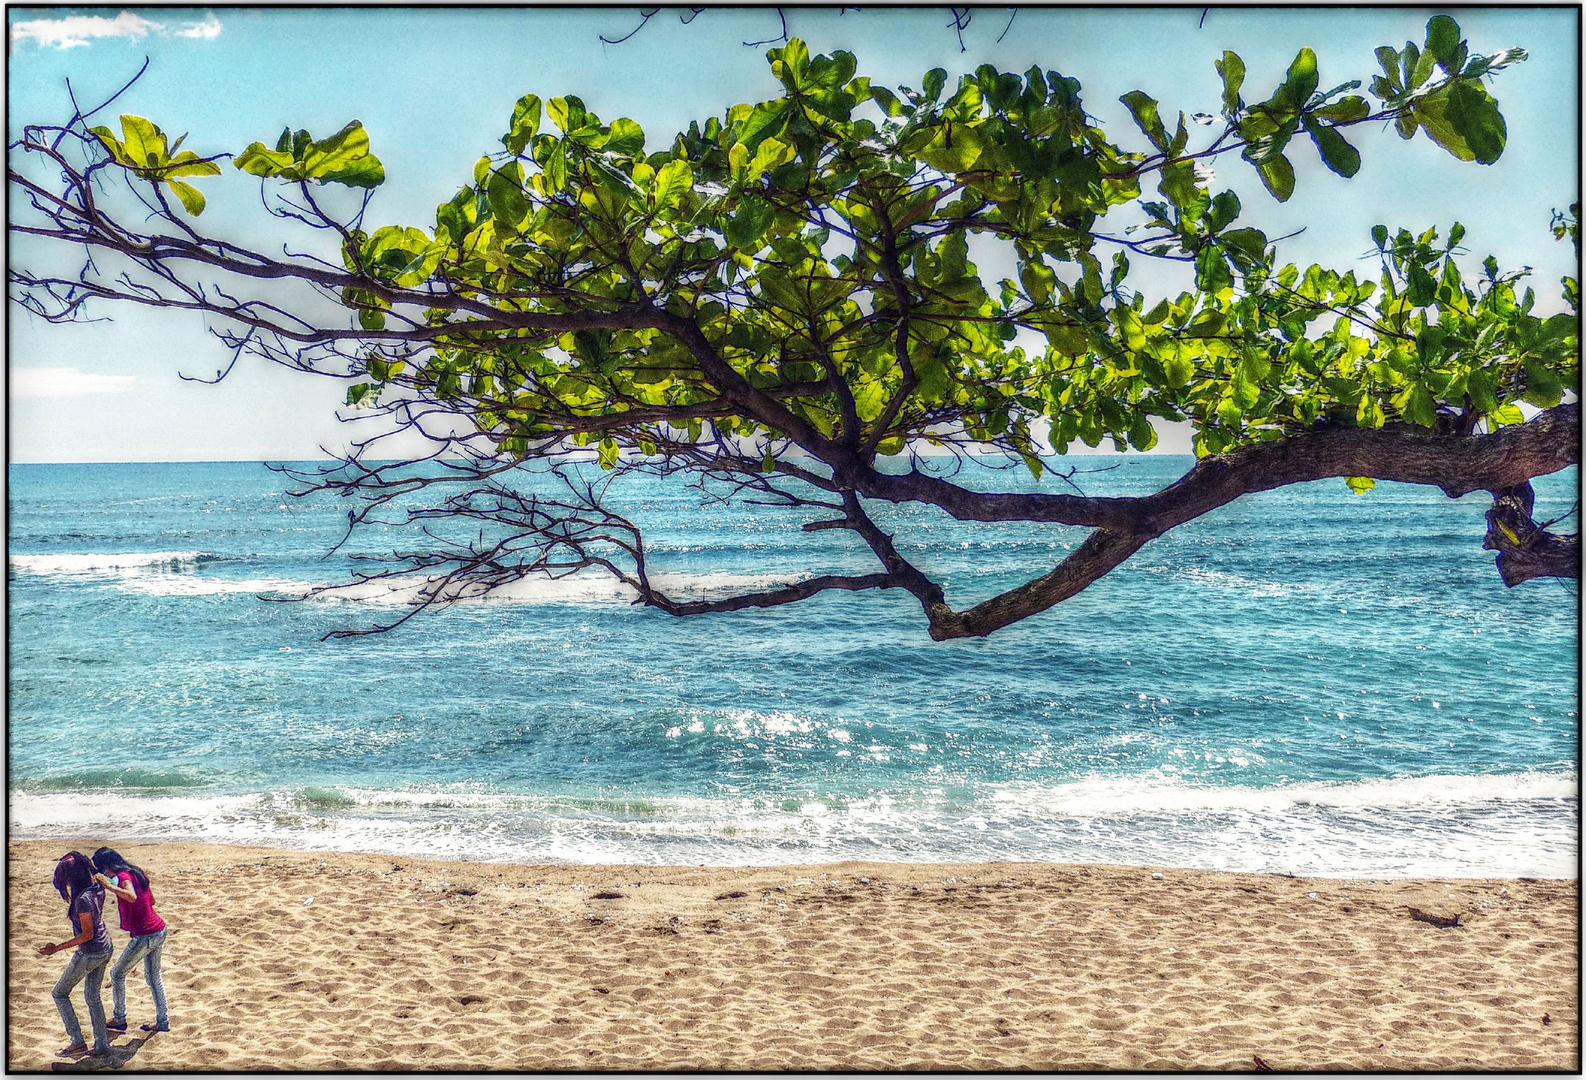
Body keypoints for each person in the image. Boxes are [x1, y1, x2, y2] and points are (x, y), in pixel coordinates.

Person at [40, 851, 114, 1058]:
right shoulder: (97, 885)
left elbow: (86, 935)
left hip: (91, 951)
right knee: (92, 997)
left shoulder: (83, 899)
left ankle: (77, 1041)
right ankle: (101, 1046)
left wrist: (56, 948)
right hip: (105, 946)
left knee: (59, 993)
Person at [91, 847, 170, 1034]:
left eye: (103, 870)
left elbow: (132, 896)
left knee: (117, 973)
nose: (104, 874)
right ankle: (162, 1020)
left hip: (146, 934)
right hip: (159, 928)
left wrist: (109, 886)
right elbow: (152, 900)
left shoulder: (124, 876)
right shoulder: (137, 872)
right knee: (153, 977)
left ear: (108, 866)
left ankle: (119, 1018)